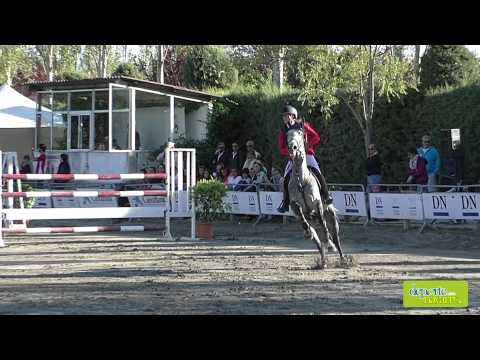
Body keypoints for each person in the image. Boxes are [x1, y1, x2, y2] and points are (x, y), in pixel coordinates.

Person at [277, 105, 332, 213]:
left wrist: (307, 145)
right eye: (283, 116)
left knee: (317, 171)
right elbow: (281, 148)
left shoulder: (303, 125)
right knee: (286, 178)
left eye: (286, 116)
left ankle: (326, 195)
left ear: (293, 116)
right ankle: (285, 202)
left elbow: (316, 137)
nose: (284, 118)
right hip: (293, 157)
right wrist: (289, 152)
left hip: (307, 154)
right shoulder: (283, 131)